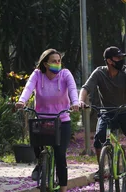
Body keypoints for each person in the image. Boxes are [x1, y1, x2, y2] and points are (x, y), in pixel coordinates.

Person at [15, 49, 79, 192]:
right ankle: (40, 163)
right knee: (36, 144)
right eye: (53, 61)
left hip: (62, 121)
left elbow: (73, 89)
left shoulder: (65, 74)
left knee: (60, 155)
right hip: (42, 120)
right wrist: (22, 101)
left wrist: (75, 102)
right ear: (45, 64)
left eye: (59, 61)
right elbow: (28, 88)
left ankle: (63, 189)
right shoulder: (37, 75)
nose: (57, 63)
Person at [78, 46, 126, 181]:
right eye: (117, 58)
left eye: (121, 58)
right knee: (99, 138)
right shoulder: (99, 73)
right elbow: (86, 88)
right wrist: (80, 101)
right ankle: (101, 168)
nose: (121, 60)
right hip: (107, 111)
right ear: (109, 61)